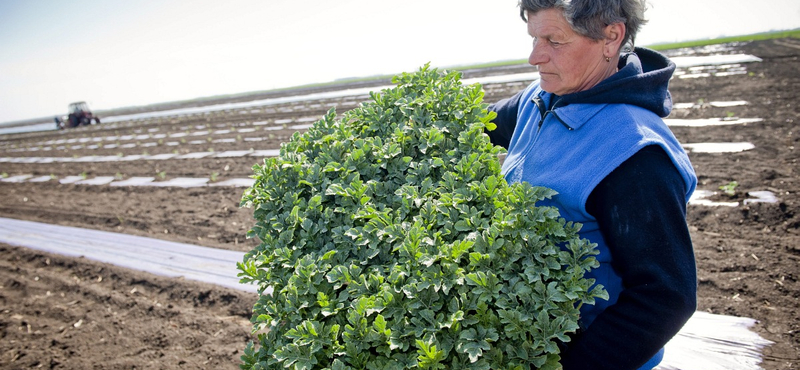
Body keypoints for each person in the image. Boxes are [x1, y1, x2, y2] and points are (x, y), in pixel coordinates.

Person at [486, 1, 698, 369]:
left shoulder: (634, 154)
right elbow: (481, 124)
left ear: (610, 37)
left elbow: (665, 297)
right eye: (534, 38)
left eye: (554, 40)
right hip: (523, 341)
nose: (535, 57)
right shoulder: (539, 100)